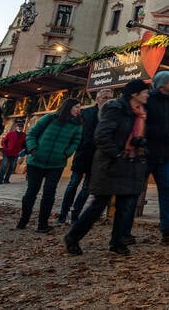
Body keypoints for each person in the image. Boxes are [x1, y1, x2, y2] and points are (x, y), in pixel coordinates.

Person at [64, 79, 151, 256]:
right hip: (111, 163)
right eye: (144, 92)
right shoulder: (116, 108)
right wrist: (116, 153)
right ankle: (73, 237)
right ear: (134, 94)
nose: (147, 95)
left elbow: (133, 135)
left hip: (130, 163)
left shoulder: (140, 113)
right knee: (99, 205)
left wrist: (140, 143)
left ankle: (117, 242)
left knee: (125, 205)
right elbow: (102, 134)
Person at [126, 70, 169, 241]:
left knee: (167, 190)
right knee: (134, 191)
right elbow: (139, 122)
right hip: (146, 152)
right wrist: (157, 134)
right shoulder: (147, 100)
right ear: (163, 83)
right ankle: (123, 230)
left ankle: (168, 227)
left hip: (166, 154)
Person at [17, 98, 82, 232]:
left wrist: (66, 154)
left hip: (56, 164)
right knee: (31, 192)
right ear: (68, 107)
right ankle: (23, 221)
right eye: (76, 107)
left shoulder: (77, 125)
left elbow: (75, 142)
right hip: (36, 161)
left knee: (49, 194)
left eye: (79, 107)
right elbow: (32, 134)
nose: (78, 110)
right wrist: (34, 149)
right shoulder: (50, 118)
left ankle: (42, 224)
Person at [57, 88, 112, 224]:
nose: (108, 100)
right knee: (73, 183)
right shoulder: (86, 113)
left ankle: (76, 214)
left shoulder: (110, 115)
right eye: (105, 97)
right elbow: (78, 132)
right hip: (83, 153)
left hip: (98, 157)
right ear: (98, 99)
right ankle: (63, 214)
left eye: (110, 98)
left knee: (87, 188)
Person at [0, 118, 27, 184]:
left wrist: (22, 151)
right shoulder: (10, 133)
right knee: (4, 166)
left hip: (16, 153)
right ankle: (0, 180)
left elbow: (24, 144)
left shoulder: (24, 135)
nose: (20, 128)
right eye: (19, 126)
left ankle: (6, 179)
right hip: (7, 152)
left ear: (22, 128)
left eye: (21, 126)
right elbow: (4, 141)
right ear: (16, 127)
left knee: (12, 167)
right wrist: (5, 148)